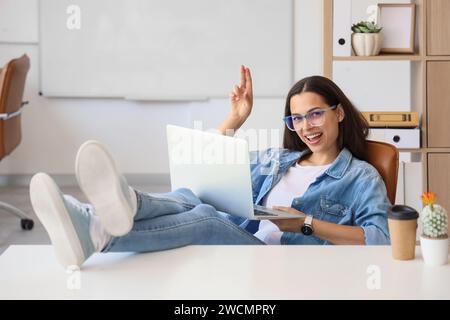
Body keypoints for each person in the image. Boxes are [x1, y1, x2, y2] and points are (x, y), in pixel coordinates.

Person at [30, 65, 391, 269]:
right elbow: (208, 171)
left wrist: (306, 224)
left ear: (339, 112)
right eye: (296, 118)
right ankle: (105, 221)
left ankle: (106, 221)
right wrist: (234, 118)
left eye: (315, 114)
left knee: (205, 216)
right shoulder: (278, 160)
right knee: (192, 194)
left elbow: (380, 240)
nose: (307, 126)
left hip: (282, 262)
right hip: (243, 238)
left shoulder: (361, 176)